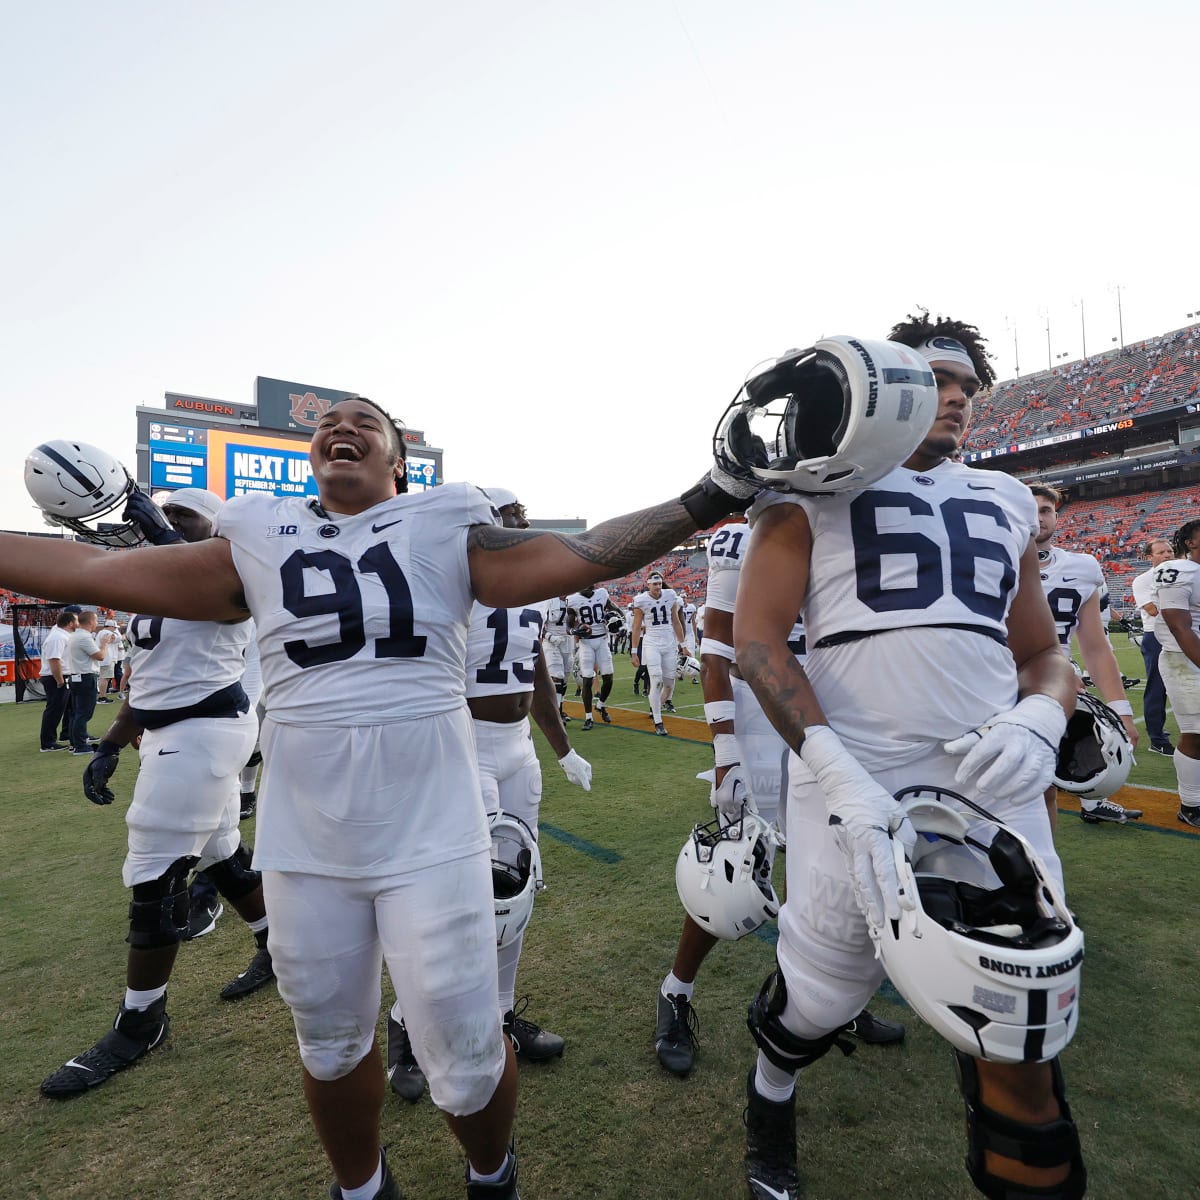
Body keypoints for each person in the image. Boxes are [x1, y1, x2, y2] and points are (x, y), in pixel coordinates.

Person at [9, 401, 752, 1200]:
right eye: (326, 421)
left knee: (466, 1060)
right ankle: (362, 1188)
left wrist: (714, 491)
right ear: (312, 457)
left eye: (364, 419)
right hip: (307, 840)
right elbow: (88, 573)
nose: (341, 426)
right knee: (328, 1046)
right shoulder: (257, 533)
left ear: (397, 457)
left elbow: (587, 552)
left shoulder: (445, 522)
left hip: (431, 830)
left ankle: (491, 1172)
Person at [724, 321, 1085, 1200]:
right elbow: (758, 640)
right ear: (883, 386)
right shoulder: (807, 489)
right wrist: (835, 769)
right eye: (937, 379)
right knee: (825, 990)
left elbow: (1043, 653)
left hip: (992, 779)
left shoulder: (1005, 499)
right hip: (850, 772)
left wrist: (1041, 715)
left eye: (969, 384)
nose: (958, 394)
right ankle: (770, 1096)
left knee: (1021, 1000)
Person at [39, 488, 275, 1101]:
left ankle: (142, 1020)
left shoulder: (235, 568)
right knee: (222, 850)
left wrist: (167, 541)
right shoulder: (152, 584)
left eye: (181, 517)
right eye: (161, 515)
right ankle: (275, 944)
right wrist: (112, 743)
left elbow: (219, 600)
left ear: (217, 528)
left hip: (206, 726)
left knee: (156, 869)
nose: (164, 524)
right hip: (171, 727)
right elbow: (148, 683)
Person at [654, 516, 902, 1079]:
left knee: (835, 863)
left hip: (831, 710)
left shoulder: (850, 512)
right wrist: (725, 748)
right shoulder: (755, 527)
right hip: (761, 711)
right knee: (734, 864)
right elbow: (717, 645)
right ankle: (676, 993)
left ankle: (831, 1001)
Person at [386, 488, 592, 1102]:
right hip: (463, 743)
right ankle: (406, 1025)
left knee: (515, 890)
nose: (523, 527)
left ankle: (500, 1013)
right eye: (514, 518)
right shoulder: (446, 576)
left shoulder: (528, 588)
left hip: (515, 746)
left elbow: (536, 671)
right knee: (460, 898)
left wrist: (562, 750)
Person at [1031, 484, 1141, 826]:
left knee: (1044, 787)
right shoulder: (988, 560)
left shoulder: (1083, 566)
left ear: (1056, 517)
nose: (1037, 517)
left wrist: (1121, 710)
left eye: (1045, 510)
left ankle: (1039, 874)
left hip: (1052, 691)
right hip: (991, 684)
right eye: (1028, 509)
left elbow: (1095, 646)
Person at [1151, 520, 1200, 829]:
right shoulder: (1178, 571)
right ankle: (1191, 804)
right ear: (1191, 543)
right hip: (1184, 661)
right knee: (1196, 735)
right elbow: (1178, 625)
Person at [1131, 537, 1175, 754]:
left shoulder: (1183, 574)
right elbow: (1152, 610)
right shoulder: (1143, 580)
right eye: (1161, 552)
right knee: (1157, 689)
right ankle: (1157, 740)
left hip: (1182, 634)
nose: (1167, 555)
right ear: (1149, 557)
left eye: (1169, 551)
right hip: (1157, 637)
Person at [629, 571, 686, 735]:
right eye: (654, 584)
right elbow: (636, 627)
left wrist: (683, 644)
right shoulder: (641, 600)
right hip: (652, 643)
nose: (657, 586)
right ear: (648, 584)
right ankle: (658, 721)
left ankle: (656, 708)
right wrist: (634, 652)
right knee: (656, 680)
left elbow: (676, 621)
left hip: (669, 643)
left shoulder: (670, 595)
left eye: (659, 583)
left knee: (669, 683)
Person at [566, 583, 622, 730]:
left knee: (609, 677)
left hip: (603, 640)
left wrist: (623, 623)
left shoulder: (602, 594)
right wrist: (574, 632)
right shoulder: (572, 600)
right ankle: (588, 717)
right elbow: (568, 627)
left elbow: (615, 609)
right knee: (587, 679)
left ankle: (601, 705)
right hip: (586, 643)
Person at [64, 610, 105, 753]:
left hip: (77, 676)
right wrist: (104, 644)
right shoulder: (84, 637)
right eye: (96, 620)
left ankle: (75, 743)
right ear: (90, 622)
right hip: (85, 676)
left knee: (77, 712)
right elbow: (100, 656)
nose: (97, 623)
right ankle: (80, 745)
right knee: (83, 713)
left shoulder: (75, 635)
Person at [38, 610, 76, 752]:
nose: (78, 623)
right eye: (76, 620)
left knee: (66, 708)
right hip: (56, 677)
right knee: (54, 710)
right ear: (71, 623)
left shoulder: (61, 635)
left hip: (60, 676)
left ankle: (66, 735)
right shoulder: (58, 637)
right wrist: (60, 680)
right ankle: (47, 743)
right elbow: (54, 659)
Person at [541, 595, 574, 722]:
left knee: (564, 679)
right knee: (557, 676)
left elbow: (573, 623)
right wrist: (549, 636)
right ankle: (556, 714)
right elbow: (538, 623)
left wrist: (577, 631)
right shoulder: (547, 600)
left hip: (567, 642)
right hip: (551, 643)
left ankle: (559, 710)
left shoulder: (573, 600)